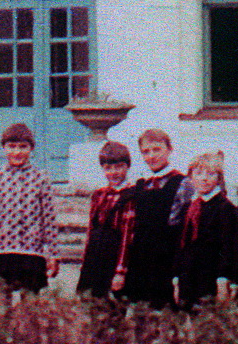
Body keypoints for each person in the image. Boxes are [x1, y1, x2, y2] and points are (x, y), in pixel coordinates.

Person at [0, 123, 58, 295]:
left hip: (32, 251)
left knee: (30, 303)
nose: (17, 152)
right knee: (1, 301)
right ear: (3, 148)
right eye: (11, 146)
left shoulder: (41, 177)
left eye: (23, 147)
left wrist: (52, 254)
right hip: (2, 250)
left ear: (31, 148)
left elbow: (49, 218)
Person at [171, 151, 238, 309]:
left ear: (218, 178)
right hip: (187, 277)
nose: (204, 178)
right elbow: (180, 245)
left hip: (211, 277)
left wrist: (223, 279)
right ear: (191, 177)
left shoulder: (225, 208)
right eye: (198, 173)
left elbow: (228, 247)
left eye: (210, 174)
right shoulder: (188, 207)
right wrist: (176, 278)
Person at [123, 127, 185, 307]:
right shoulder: (141, 184)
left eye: (157, 149)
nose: (151, 156)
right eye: (146, 152)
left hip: (167, 257)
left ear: (169, 149)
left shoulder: (182, 183)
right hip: (141, 258)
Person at [76, 139, 134, 299]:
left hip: (113, 259)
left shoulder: (130, 196)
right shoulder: (99, 195)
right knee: (90, 303)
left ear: (127, 166)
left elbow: (127, 236)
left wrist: (120, 271)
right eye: (108, 168)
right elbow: (91, 230)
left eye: (119, 167)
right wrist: (85, 263)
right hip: (95, 258)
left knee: (112, 306)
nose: (113, 172)